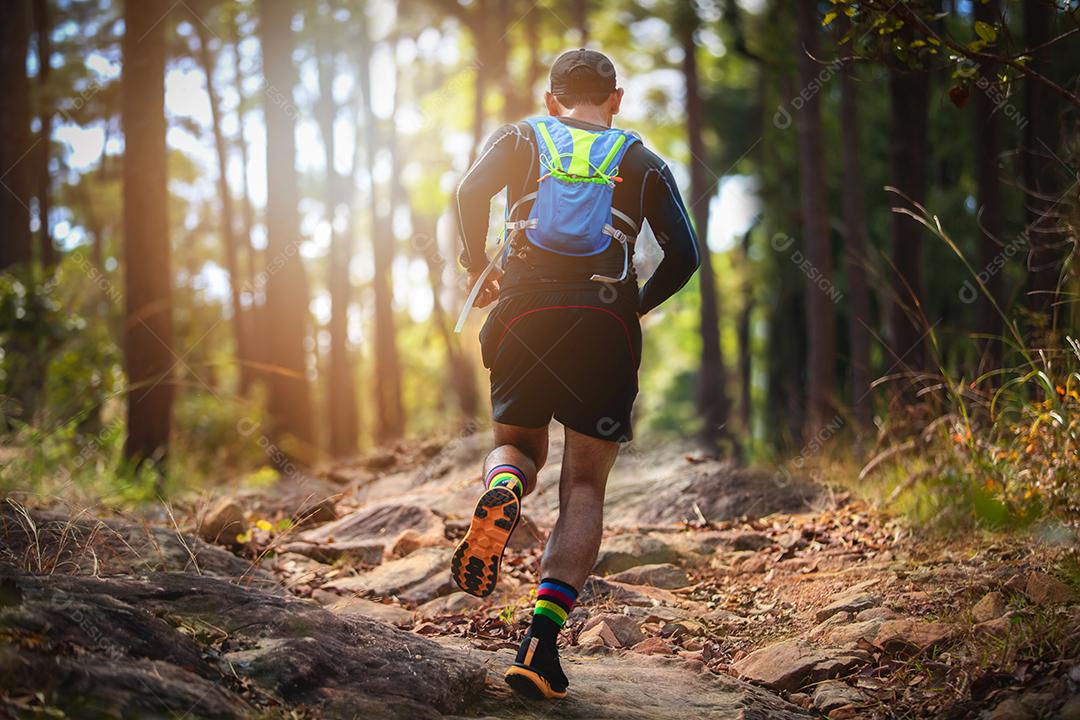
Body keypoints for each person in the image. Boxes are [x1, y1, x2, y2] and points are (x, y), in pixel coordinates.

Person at [450, 48, 700, 700]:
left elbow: (469, 191)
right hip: (603, 326)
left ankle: (503, 487)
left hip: (523, 311)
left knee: (517, 446)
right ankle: (539, 644)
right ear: (615, 99)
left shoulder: (521, 137)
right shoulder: (641, 160)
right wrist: (632, 305)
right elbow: (687, 253)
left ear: (553, 99)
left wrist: (476, 263)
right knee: (584, 486)